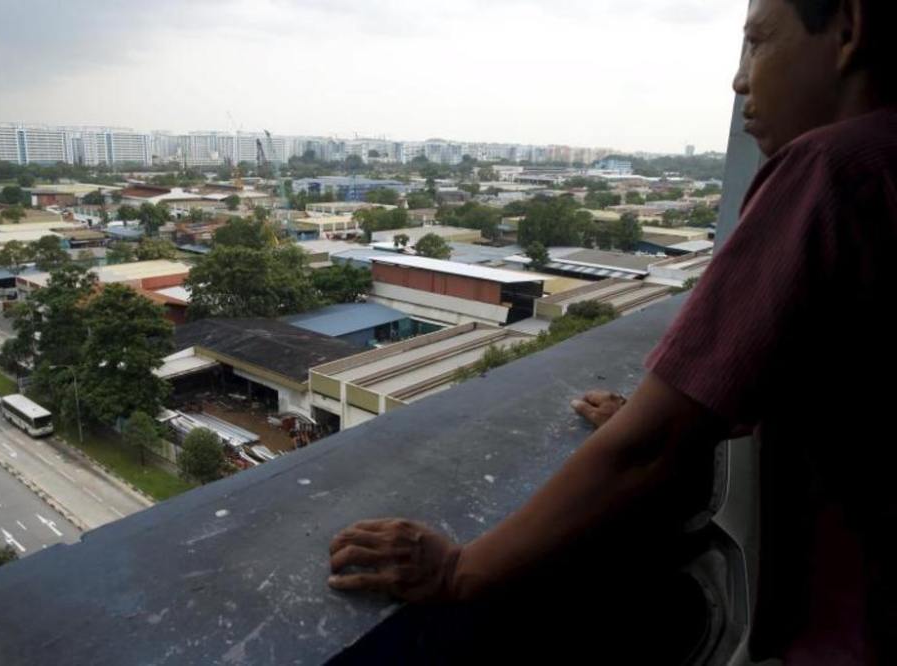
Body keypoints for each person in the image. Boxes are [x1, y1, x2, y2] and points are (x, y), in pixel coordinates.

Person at [327, 0, 897, 663]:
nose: (740, 81)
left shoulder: (831, 169)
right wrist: (690, 408)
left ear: (850, 27)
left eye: (758, 42)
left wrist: (460, 571)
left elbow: (650, 449)